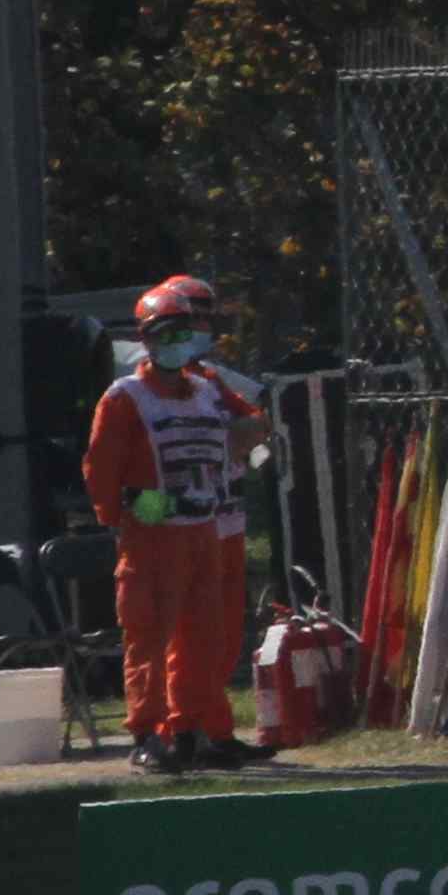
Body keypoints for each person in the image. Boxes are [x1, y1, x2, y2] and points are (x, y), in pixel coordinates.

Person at [85, 274, 272, 773]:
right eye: (166, 333)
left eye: (185, 332)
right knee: (147, 637)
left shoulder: (207, 389)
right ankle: (147, 733)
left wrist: (243, 438)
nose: (180, 342)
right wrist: (139, 511)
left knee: (203, 637)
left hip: (204, 533)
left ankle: (191, 730)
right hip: (152, 536)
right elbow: (100, 471)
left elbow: (255, 422)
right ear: (146, 339)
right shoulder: (124, 396)